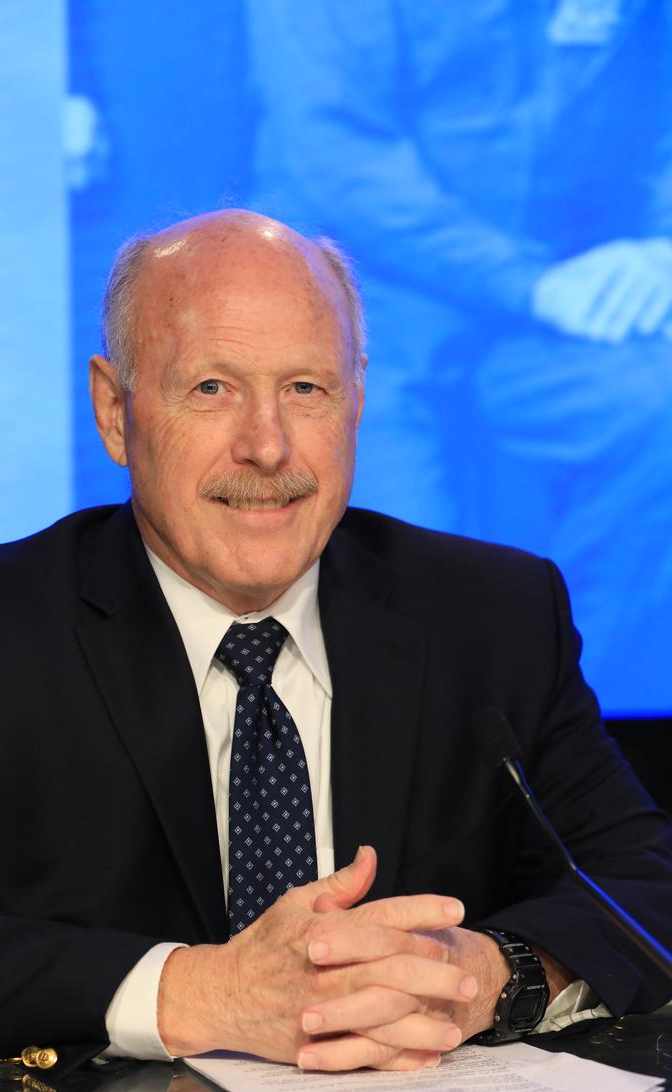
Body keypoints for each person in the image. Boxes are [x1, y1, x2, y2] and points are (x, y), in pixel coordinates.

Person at [0, 210, 669, 1079]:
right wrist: (199, 992)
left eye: (305, 389)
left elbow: (646, 889)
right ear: (116, 413)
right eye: (211, 389)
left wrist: (492, 975)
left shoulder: (491, 612)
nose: (266, 447)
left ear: (357, 400)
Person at [247, 0, 672, 705]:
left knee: (656, 409)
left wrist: (660, 250)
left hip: (538, 305)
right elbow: (340, 164)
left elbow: (657, 120)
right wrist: (529, 284)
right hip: (355, 308)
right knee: (403, 591)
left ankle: (573, 716)